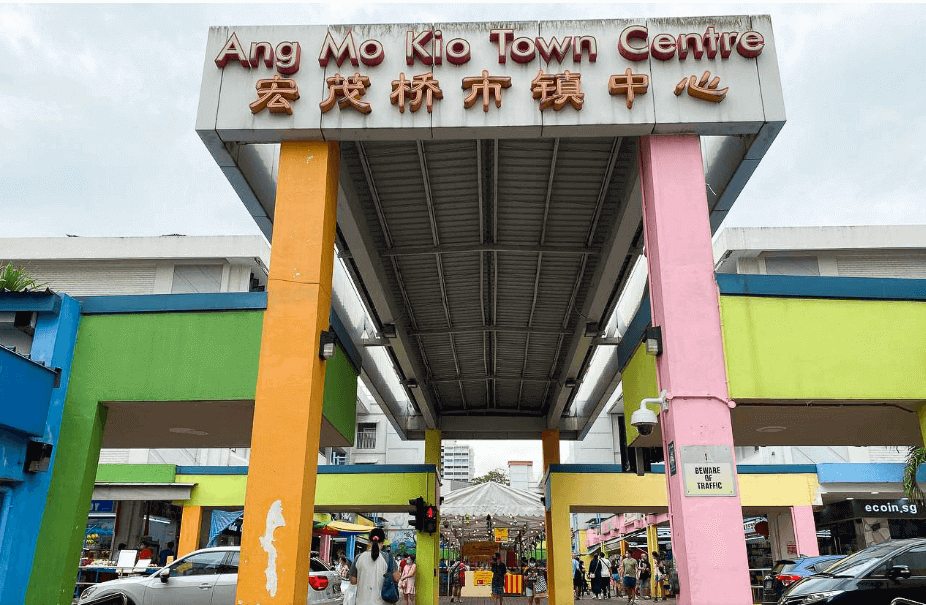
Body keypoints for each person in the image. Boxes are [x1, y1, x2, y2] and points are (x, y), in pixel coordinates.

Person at [349, 527, 399, 605]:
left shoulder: (358, 558)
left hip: (361, 602)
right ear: (382, 542)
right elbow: (396, 578)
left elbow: (353, 581)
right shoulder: (388, 558)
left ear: (369, 541)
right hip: (382, 602)